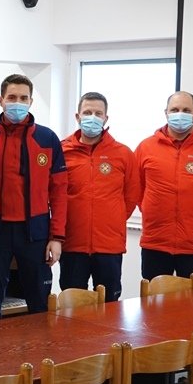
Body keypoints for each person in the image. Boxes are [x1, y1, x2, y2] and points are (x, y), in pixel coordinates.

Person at [0, 73, 67, 316]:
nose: (17, 103)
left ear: (30, 101)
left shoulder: (47, 138)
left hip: (35, 231)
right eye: (12, 97)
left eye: (23, 98)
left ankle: (40, 342)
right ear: (1, 100)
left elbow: (59, 192)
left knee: (39, 303)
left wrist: (57, 238)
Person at [135, 91, 193, 279]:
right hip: (155, 243)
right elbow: (137, 190)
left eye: (186, 110)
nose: (180, 114)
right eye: (175, 109)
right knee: (153, 296)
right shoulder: (146, 147)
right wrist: (151, 208)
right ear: (166, 113)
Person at [60, 92, 138, 301]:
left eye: (98, 113)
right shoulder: (62, 151)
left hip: (109, 246)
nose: (92, 117)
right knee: (72, 305)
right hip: (72, 243)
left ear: (106, 118)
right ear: (77, 117)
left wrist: (111, 218)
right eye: (87, 112)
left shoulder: (123, 153)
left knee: (109, 306)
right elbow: (54, 195)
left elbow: (131, 196)